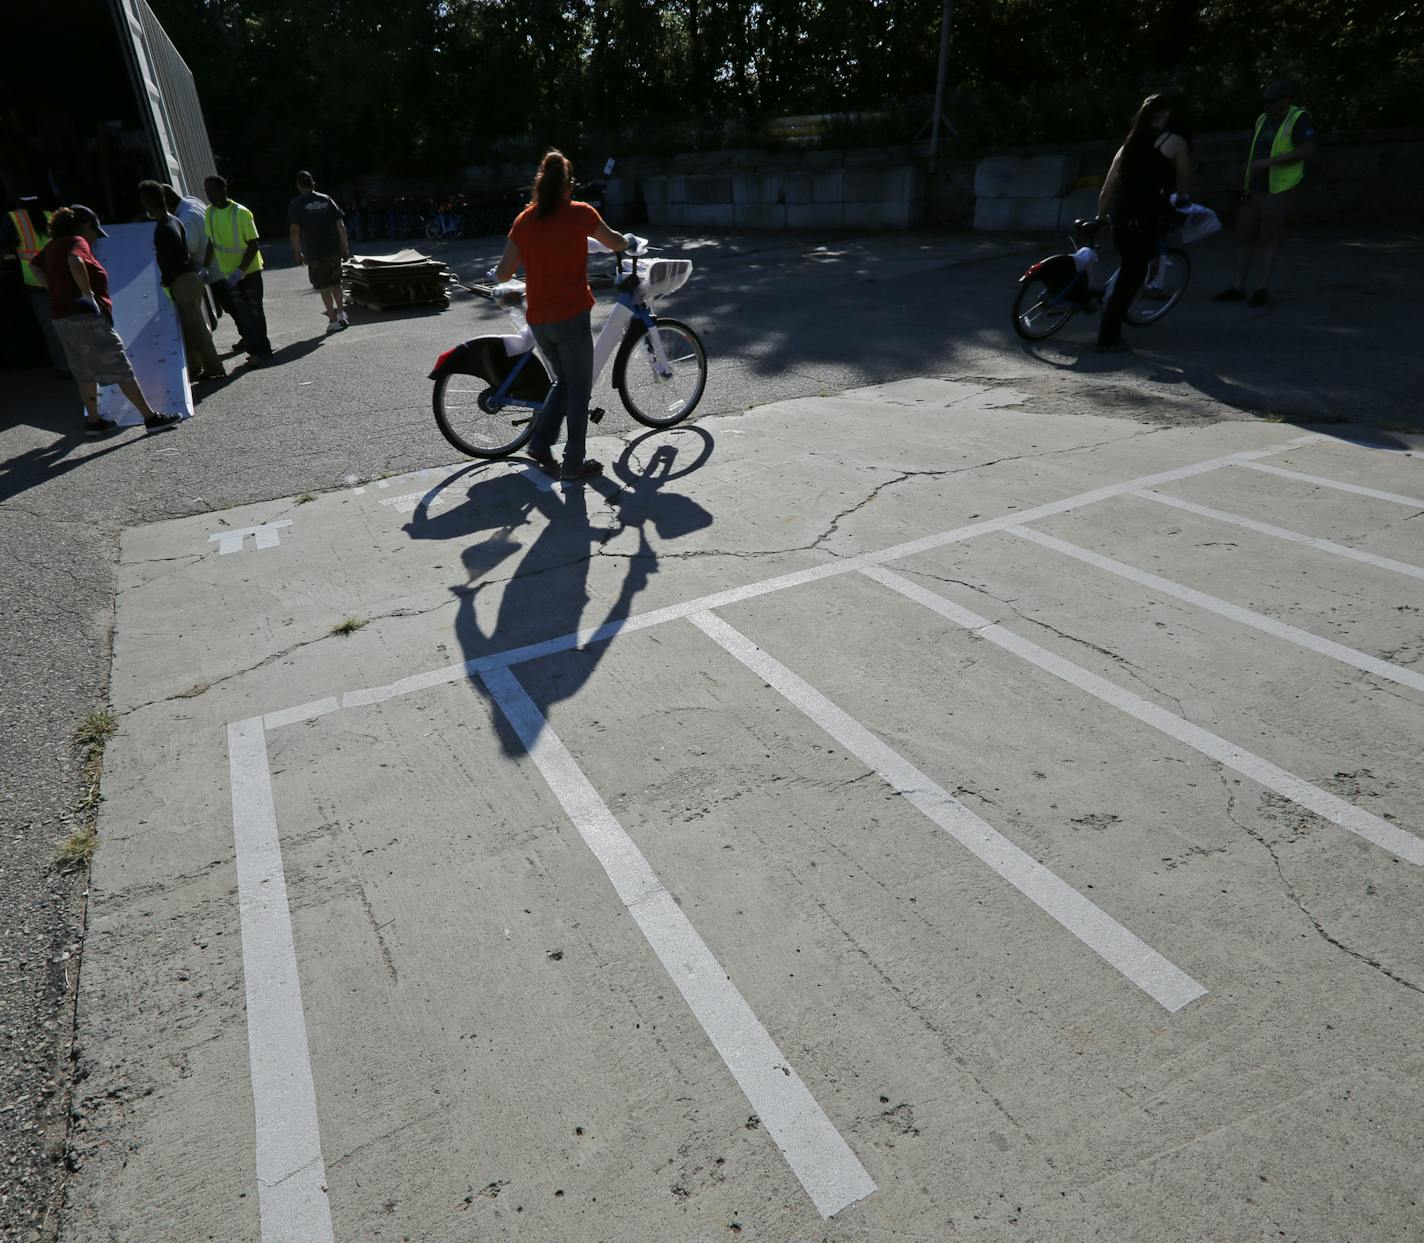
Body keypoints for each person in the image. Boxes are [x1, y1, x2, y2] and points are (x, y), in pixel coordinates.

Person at [493, 150, 631, 480]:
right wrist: (629, 241)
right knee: (579, 388)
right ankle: (572, 463)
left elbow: (502, 273)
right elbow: (615, 242)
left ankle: (540, 443)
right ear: (568, 185)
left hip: (539, 319)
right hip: (570, 317)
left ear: (541, 184)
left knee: (564, 382)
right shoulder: (581, 213)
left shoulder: (525, 220)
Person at [28, 205, 182, 436]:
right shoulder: (76, 242)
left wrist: (53, 289)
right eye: (93, 229)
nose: (94, 236)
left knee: (84, 371)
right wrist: (87, 294)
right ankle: (151, 418)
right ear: (83, 226)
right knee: (120, 366)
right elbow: (75, 261)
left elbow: (33, 265)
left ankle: (94, 420)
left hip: (63, 319)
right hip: (85, 317)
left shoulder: (52, 247)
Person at [1095, 90, 1192, 352]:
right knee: (1132, 277)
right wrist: (1182, 199)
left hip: (1120, 218)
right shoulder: (1174, 143)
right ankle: (1108, 336)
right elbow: (1183, 177)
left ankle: (1110, 322)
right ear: (1166, 115)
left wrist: (1101, 217)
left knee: (1129, 268)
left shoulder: (1127, 146)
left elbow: (1107, 188)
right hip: (1145, 218)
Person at [1213, 80, 1316, 307]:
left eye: (1272, 101)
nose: (1267, 105)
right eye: (1265, 101)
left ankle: (1261, 288)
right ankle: (1237, 286)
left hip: (1279, 188)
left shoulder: (1298, 118)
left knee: (1269, 238)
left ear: (1286, 99)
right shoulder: (1262, 119)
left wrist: (1270, 163)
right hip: (1254, 187)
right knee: (1245, 235)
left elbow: (1307, 150)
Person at [138, 180, 224, 381]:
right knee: (188, 326)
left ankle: (214, 366)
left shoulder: (164, 227)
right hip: (190, 278)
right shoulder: (174, 220)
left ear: (148, 203)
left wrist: (167, 279)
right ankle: (195, 367)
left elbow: (172, 257)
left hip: (182, 281)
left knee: (196, 327)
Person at [202, 174, 272, 358]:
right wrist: (204, 266)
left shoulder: (241, 213)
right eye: (207, 192)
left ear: (223, 190)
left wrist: (241, 270)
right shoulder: (209, 213)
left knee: (254, 312)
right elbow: (211, 242)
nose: (210, 195)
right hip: (229, 273)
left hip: (249, 272)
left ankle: (262, 351)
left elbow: (252, 245)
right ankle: (254, 351)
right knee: (243, 314)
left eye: (213, 191)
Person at [2, 194, 68, 370]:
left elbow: (5, 243)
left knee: (49, 324)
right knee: (68, 319)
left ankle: (63, 365)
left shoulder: (13, 218)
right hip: (58, 274)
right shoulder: (49, 215)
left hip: (33, 279)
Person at [287, 170, 351, 331]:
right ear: (313, 183)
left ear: (298, 186)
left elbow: (294, 230)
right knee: (336, 282)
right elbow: (340, 225)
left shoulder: (297, 204)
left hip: (315, 252)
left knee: (324, 286)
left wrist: (297, 252)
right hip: (333, 249)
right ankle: (342, 314)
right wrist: (345, 247)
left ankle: (332, 320)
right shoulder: (326, 199)